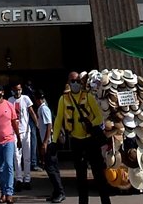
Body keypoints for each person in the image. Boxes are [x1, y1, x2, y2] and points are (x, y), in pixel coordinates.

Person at [53, 72, 110, 204]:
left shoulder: (88, 96)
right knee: (81, 177)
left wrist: (91, 124)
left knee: (98, 175)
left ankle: (106, 202)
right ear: (68, 82)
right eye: (73, 81)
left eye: (78, 81)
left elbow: (99, 117)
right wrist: (54, 140)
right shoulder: (63, 99)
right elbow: (58, 121)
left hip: (91, 140)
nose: (76, 83)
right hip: (76, 141)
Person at [36, 94, 64, 203]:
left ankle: (60, 192)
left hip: (50, 143)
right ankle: (57, 192)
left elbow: (49, 125)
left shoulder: (44, 109)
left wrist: (45, 142)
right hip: (48, 142)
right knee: (51, 168)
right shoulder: (42, 108)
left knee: (51, 168)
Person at [13, 83, 35, 189]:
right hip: (14, 132)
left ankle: (27, 179)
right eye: (16, 90)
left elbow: (31, 112)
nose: (18, 91)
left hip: (26, 132)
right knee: (17, 157)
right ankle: (19, 179)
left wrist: (38, 124)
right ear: (13, 90)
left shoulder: (26, 99)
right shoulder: (9, 100)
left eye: (19, 89)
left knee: (27, 157)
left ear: (21, 90)